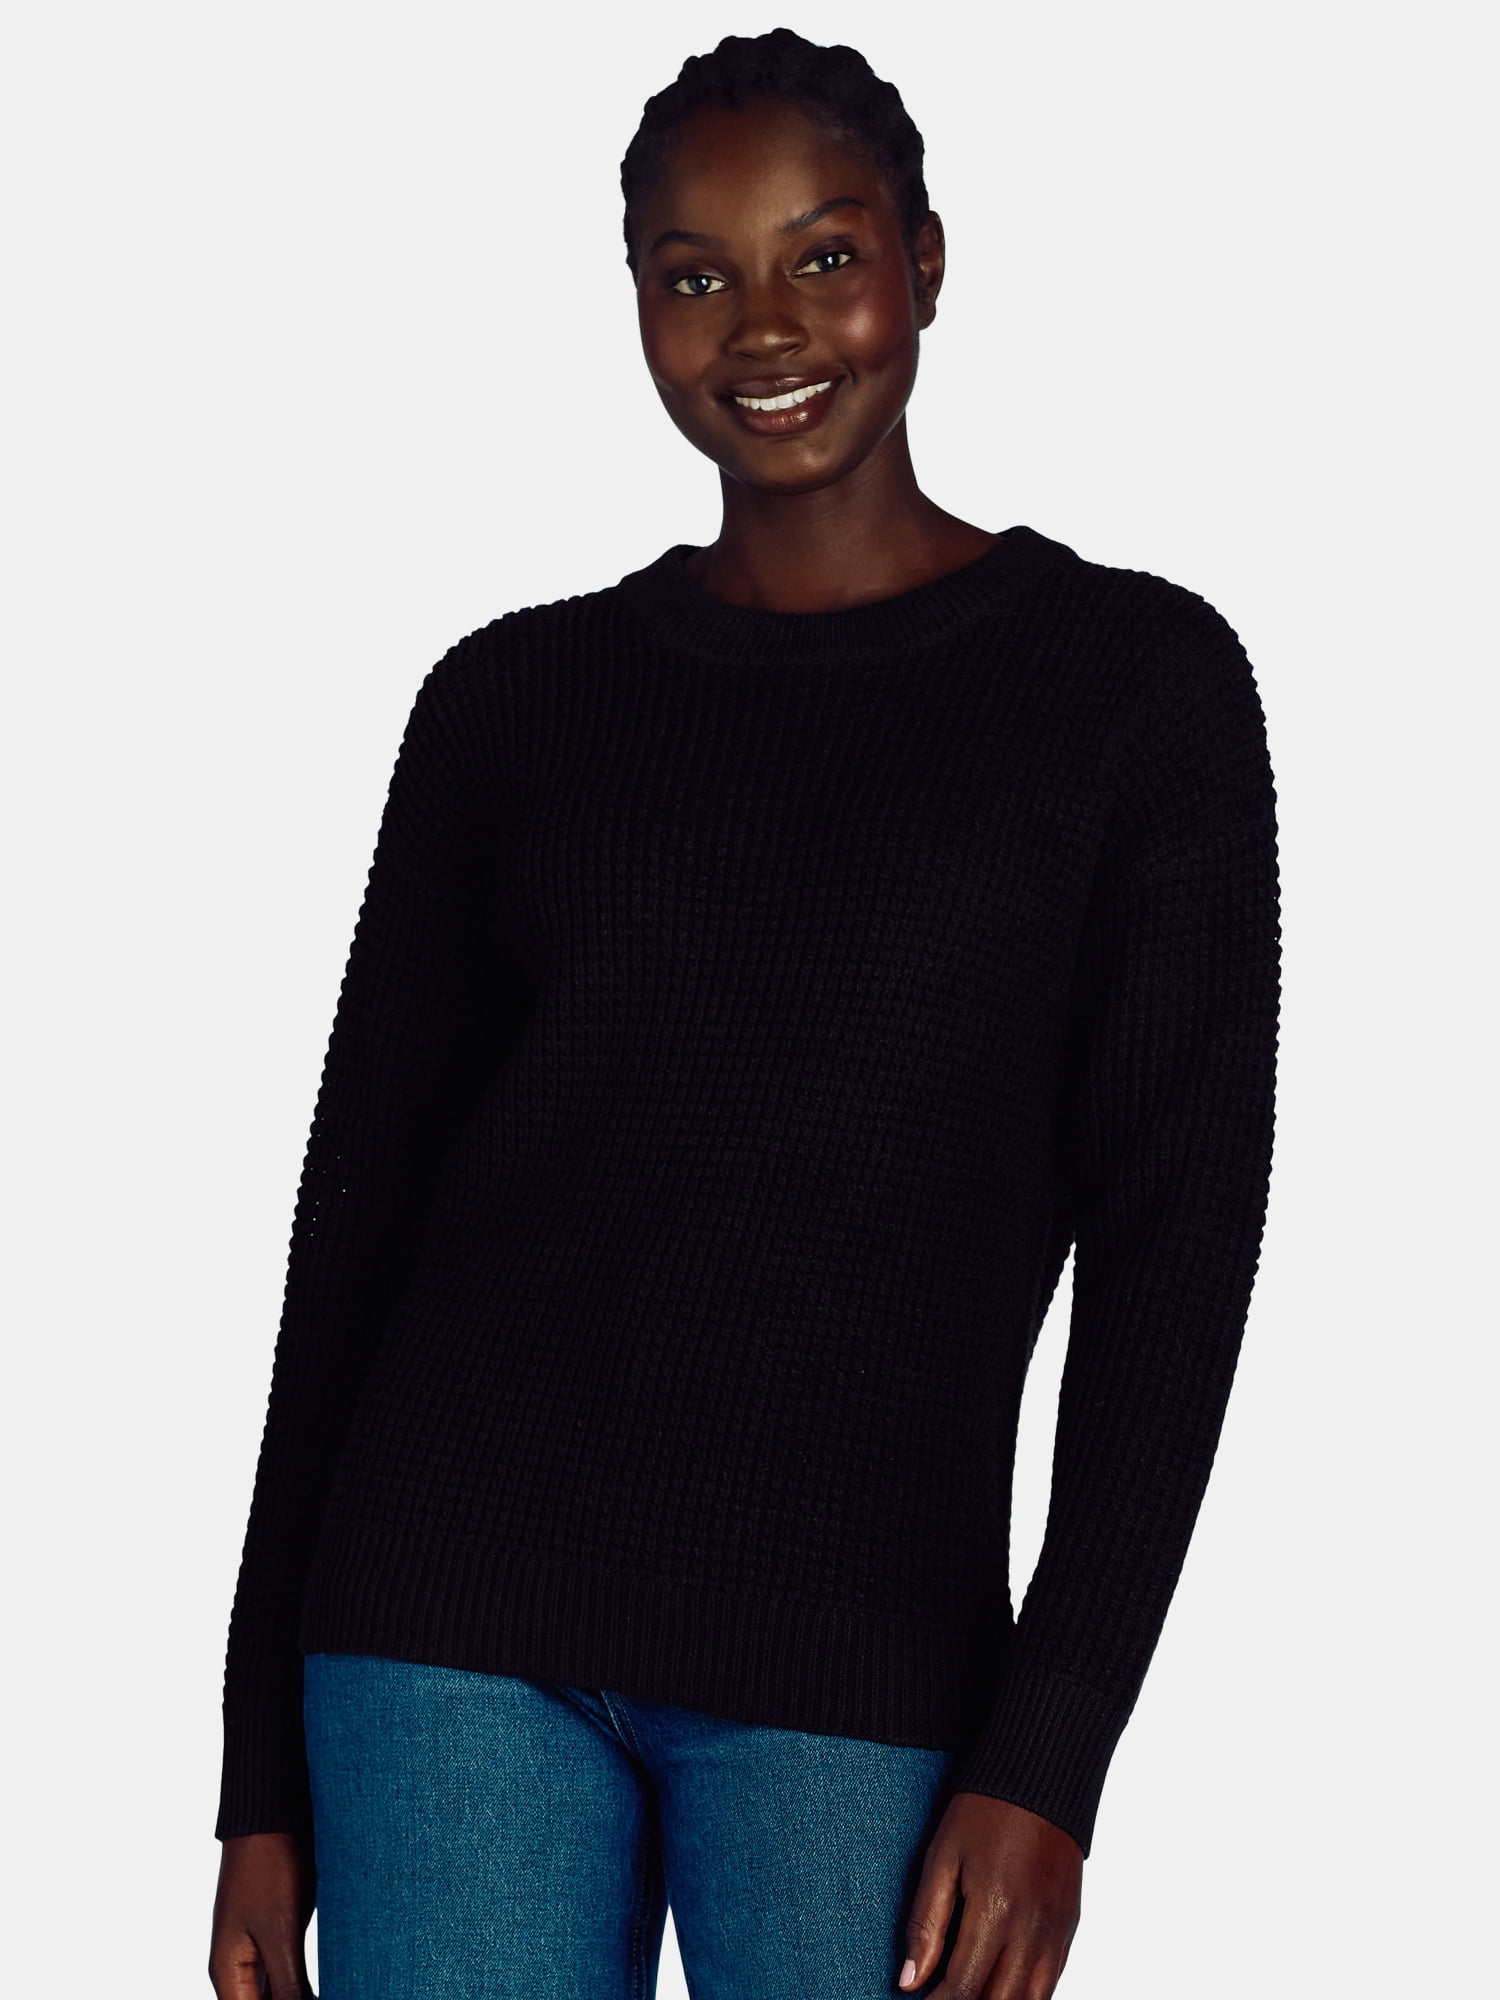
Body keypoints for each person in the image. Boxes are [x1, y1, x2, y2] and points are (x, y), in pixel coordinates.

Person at [208, 27, 1281, 2000]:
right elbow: (350, 1239)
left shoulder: (1135, 691)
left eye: (826, 255)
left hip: (862, 1670)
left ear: (927, 263)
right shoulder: (510, 706)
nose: (765, 327)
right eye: (694, 273)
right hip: (443, 1632)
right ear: (635, 302)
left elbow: (1175, 1263)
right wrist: (258, 1771)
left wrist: (1053, 1753)